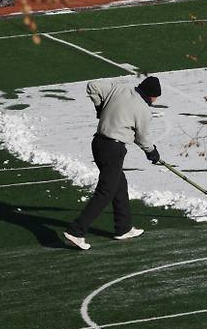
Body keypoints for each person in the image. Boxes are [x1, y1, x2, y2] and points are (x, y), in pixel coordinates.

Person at [63, 76, 162, 250]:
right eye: (156, 97)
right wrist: (152, 152)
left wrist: (99, 106)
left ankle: (123, 228)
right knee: (105, 191)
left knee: (119, 185)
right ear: (151, 95)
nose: (155, 101)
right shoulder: (144, 110)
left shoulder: (120, 89)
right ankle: (76, 231)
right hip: (113, 149)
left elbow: (92, 85)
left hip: (98, 143)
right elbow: (143, 138)